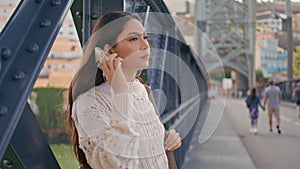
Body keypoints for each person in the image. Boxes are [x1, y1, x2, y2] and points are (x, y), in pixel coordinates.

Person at [65, 11, 181, 169]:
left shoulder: (143, 91)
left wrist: (165, 138)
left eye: (145, 37)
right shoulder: (90, 102)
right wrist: (121, 92)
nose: (145, 45)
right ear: (109, 51)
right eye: (133, 39)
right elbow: (119, 163)